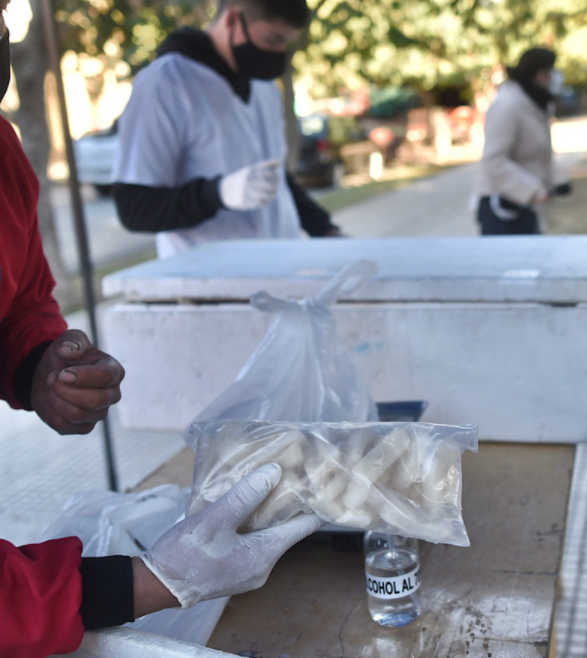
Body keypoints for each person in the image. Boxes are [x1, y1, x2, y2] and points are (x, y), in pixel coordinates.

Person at [0, 13, 320, 656]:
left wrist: (39, 364)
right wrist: (147, 582)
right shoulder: (167, 83)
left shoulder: (2, 153)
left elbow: (23, 296)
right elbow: (137, 203)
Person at [112, 0, 341, 260]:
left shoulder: (263, 86)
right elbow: (134, 208)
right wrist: (217, 194)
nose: (279, 51)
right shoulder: (165, 84)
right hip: (209, 284)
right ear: (233, 21)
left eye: (286, 42)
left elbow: (276, 180)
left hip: (281, 270)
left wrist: (325, 229)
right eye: (272, 39)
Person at [474, 47, 570, 236]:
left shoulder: (535, 103)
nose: (555, 77)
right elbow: (493, 161)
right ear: (539, 74)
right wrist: (532, 190)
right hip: (502, 209)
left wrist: (552, 184)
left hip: (526, 206)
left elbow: (538, 153)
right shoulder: (507, 105)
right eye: (551, 72)